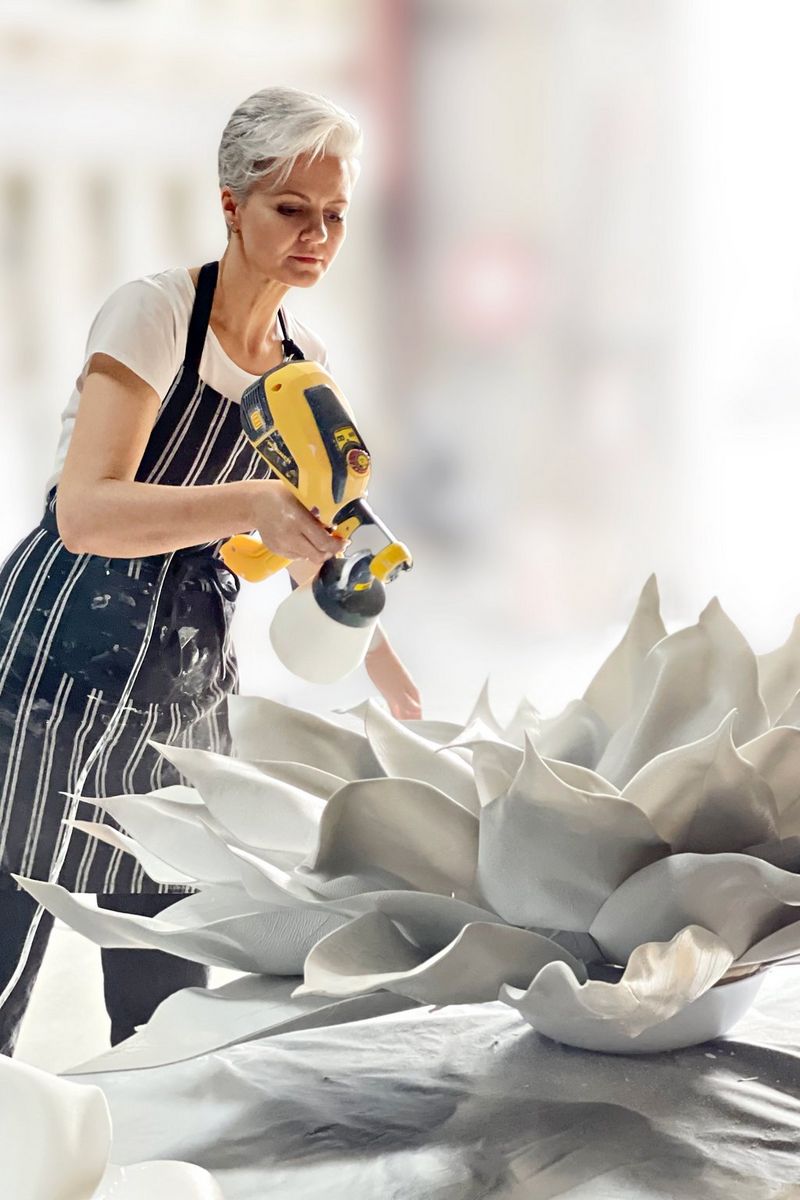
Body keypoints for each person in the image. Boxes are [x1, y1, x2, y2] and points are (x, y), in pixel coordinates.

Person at [0, 85, 421, 1055]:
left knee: (169, 1007)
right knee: (5, 957)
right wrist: (250, 504)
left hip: (178, 692)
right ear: (232, 204)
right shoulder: (153, 315)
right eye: (291, 208)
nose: (317, 235)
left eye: (335, 215)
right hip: (54, 666)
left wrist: (380, 659)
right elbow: (85, 513)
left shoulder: (303, 361)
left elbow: (315, 528)